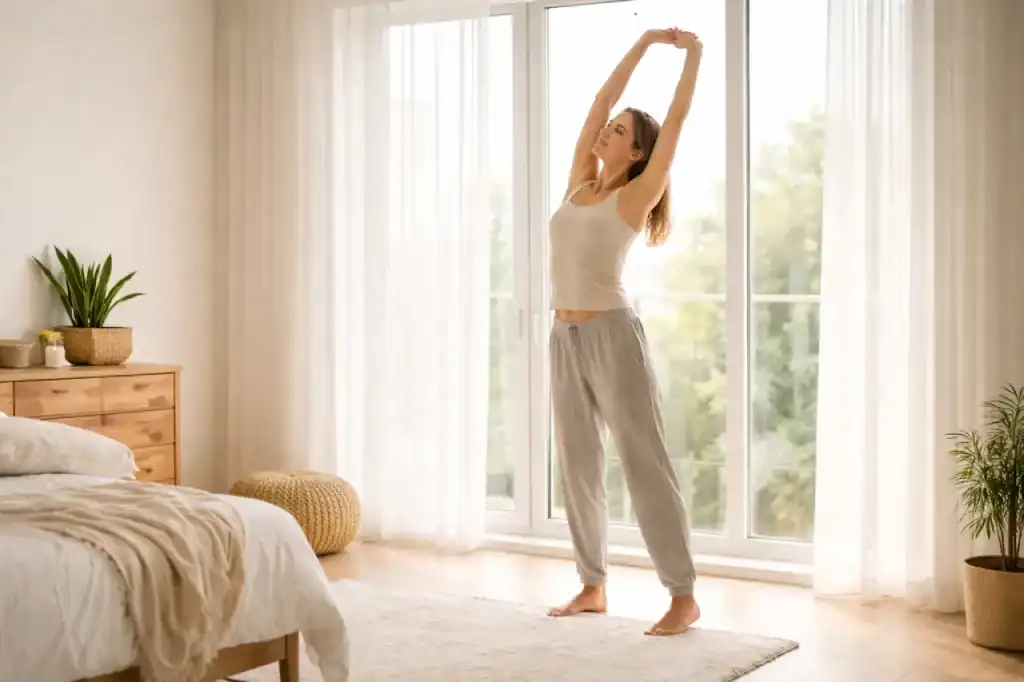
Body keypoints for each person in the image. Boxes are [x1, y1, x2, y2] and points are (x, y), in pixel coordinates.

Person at [545, 26, 703, 637]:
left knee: (644, 461)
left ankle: (682, 595)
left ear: (638, 153)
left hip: (613, 336)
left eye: (620, 131)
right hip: (565, 338)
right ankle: (592, 585)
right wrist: (640, 45)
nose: (607, 130)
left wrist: (691, 54)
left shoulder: (637, 195)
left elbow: (679, 121)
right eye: (608, 128)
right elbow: (596, 103)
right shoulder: (580, 185)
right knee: (577, 463)